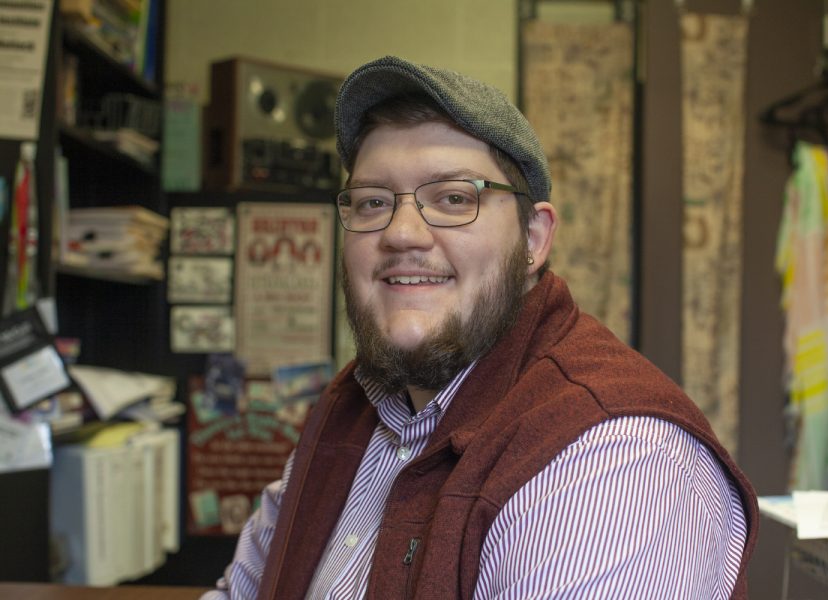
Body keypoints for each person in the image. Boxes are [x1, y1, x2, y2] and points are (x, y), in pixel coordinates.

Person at [203, 55, 759, 600]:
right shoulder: (348, 406)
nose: (400, 234)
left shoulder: (614, 461)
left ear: (533, 241)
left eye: (452, 199)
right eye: (373, 202)